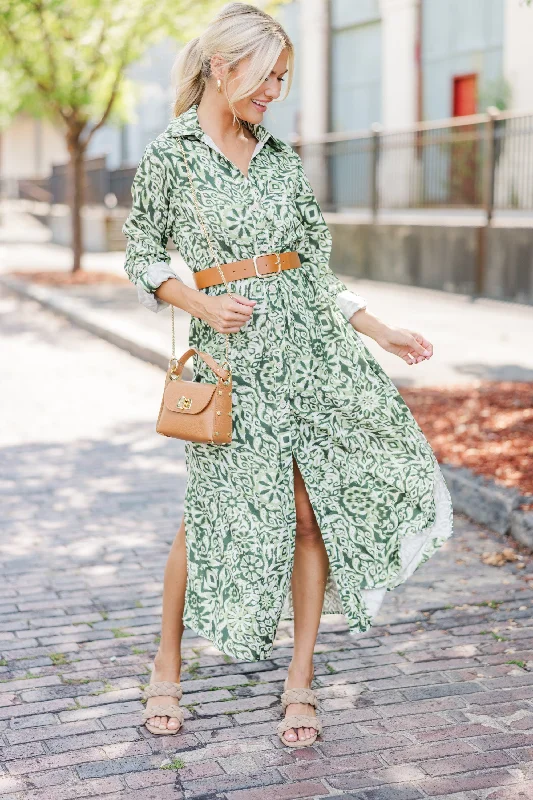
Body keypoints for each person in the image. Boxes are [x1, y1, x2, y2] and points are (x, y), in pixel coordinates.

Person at [122, 1, 454, 748]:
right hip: (232, 364)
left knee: (310, 513)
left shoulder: (280, 159)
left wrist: (383, 330)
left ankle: (300, 678)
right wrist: (198, 300)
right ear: (221, 67)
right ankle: (166, 664)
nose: (275, 91)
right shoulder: (170, 156)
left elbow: (314, 272)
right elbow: (141, 257)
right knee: (205, 514)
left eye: (283, 78)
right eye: (267, 77)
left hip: (310, 358)